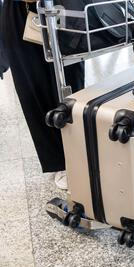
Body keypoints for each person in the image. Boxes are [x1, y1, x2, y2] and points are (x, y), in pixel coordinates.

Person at [0, 0, 85, 189]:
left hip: (63, 9)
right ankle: (60, 162)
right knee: (33, 89)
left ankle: (80, 155)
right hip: (20, 14)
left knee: (70, 85)